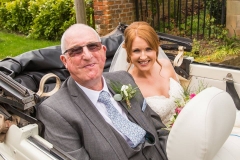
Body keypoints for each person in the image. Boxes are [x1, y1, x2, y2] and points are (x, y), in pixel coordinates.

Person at [36, 23, 169, 160]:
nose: (87, 55)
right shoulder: (55, 112)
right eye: (76, 51)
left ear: (103, 51)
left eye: (93, 46)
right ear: (65, 60)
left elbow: (159, 129)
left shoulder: (124, 79)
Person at [109, 21, 184, 126]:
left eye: (149, 49)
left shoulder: (166, 65)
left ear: (156, 48)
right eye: (136, 51)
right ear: (128, 52)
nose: (143, 57)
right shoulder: (127, 85)